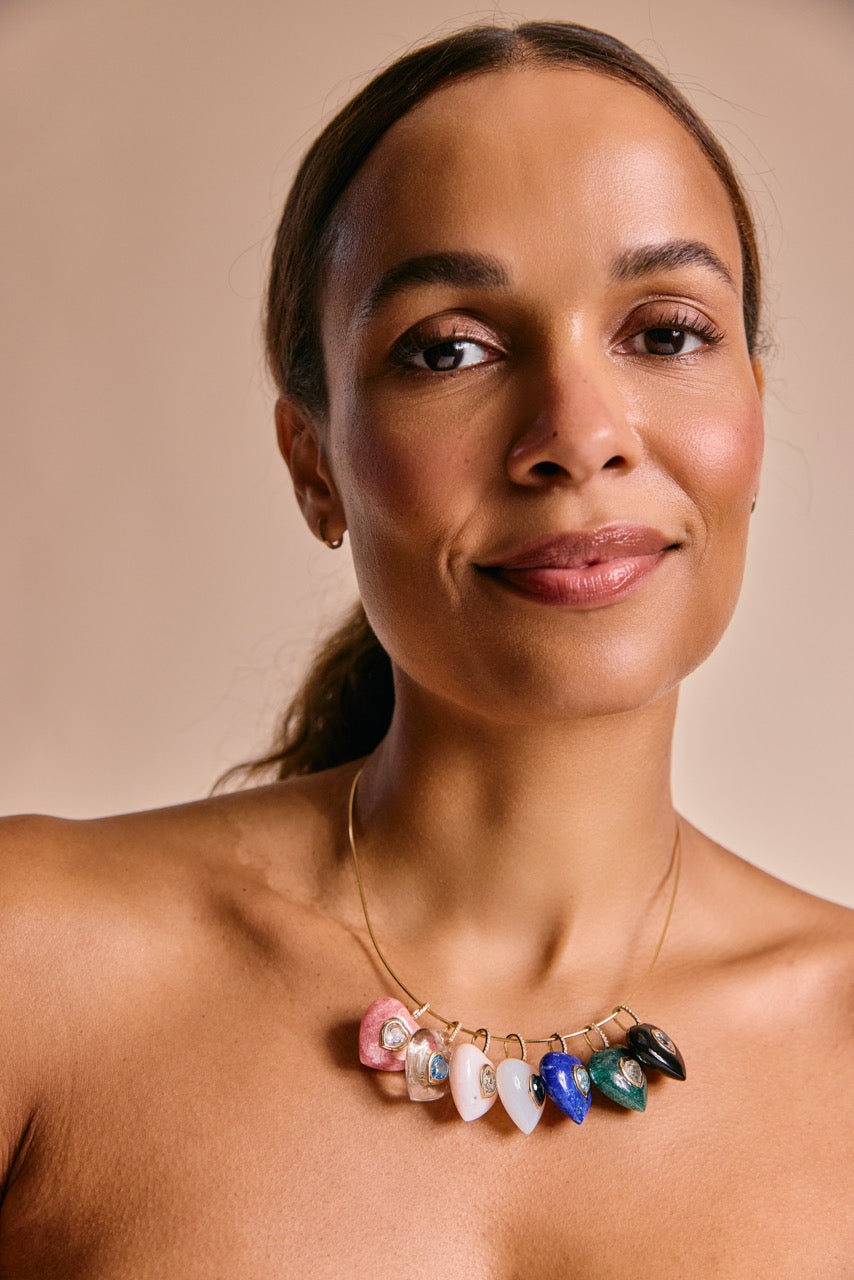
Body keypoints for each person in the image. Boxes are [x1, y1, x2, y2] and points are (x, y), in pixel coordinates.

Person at [0, 18, 850, 1277]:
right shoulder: (32, 962)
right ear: (313, 464)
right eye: (449, 348)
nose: (578, 433)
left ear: (752, 420)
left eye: (665, 332)